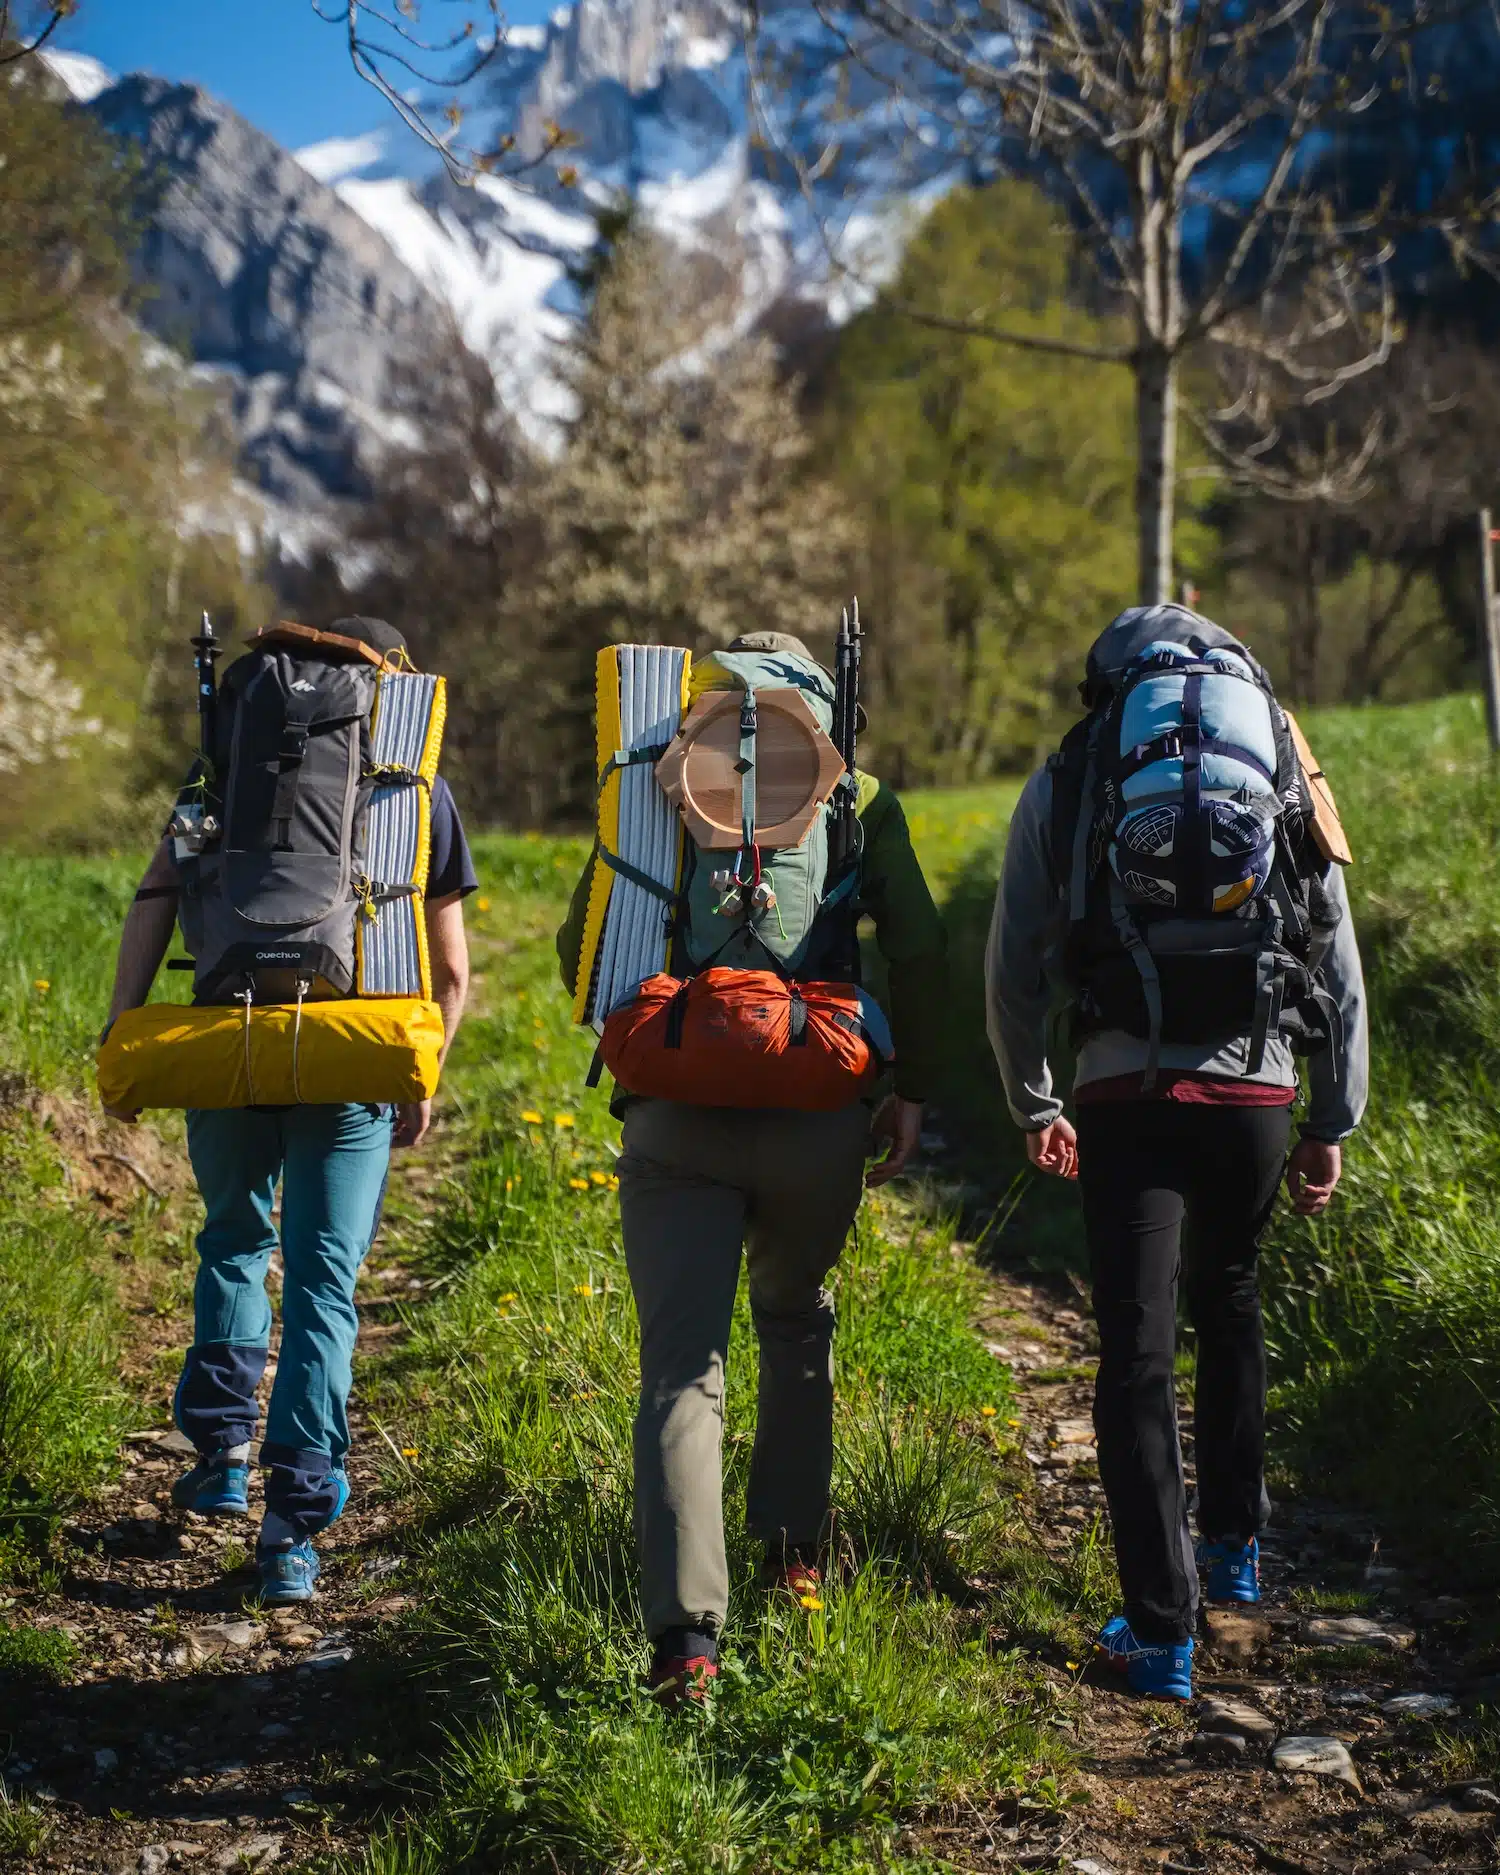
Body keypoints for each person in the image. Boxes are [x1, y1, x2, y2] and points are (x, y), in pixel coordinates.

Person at [557, 631, 948, 1704]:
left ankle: (687, 1641)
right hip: (816, 1104)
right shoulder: (857, 794)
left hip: (678, 1109)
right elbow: (918, 947)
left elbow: (579, 949)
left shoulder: (660, 780)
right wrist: (909, 1087)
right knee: (796, 1320)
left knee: (683, 1369)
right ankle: (796, 1562)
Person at [987, 603, 1368, 1702]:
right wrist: (1331, 1118)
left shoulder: (1080, 766)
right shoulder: (1279, 754)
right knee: (1232, 1295)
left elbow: (1014, 958)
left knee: (1137, 1350)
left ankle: (1162, 1633)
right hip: (1256, 1086)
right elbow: (1335, 954)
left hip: (1125, 1088)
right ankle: (1237, 1550)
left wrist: (1032, 1099)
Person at [101, 619, 475, 1604]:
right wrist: (419, 1073)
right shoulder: (409, 783)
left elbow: (156, 893)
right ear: (386, 688)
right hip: (347, 1047)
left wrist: (124, 1028)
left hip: (226, 1033)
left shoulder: (223, 765)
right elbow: (453, 966)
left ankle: (222, 1454)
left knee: (232, 1239)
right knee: (322, 1285)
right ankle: (290, 1531)